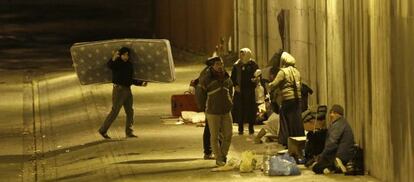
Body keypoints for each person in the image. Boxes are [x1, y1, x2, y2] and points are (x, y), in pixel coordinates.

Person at [98, 47, 147, 139]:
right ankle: (103, 130)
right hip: (119, 90)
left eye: (127, 55)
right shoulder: (117, 63)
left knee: (130, 111)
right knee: (115, 111)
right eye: (124, 55)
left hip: (127, 90)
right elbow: (110, 66)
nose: (126, 57)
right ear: (120, 55)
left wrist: (141, 83)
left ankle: (129, 132)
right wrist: (113, 58)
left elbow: (129, 79)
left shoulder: (129, 65)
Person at [196, 57, 233, 166]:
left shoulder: (226, 77)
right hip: (212, 111)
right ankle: (218, 158)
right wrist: (203, 108)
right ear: (212, 66)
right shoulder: (206, 79)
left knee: (228, 135)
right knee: (214, 136)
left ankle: (223, 155)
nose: (220, 66)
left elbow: (230, 91)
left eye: (221, 64)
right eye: (217, 64)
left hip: (226, 111)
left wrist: (230, 102)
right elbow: (200, 94)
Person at [268, 51, 304, 147]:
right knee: (296, 120)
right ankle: (298, 139)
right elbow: (300, 85)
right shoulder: (297, 72)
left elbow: (274, 84)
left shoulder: (283, 72)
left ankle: (285, 141)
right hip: (298, 100)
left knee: (285, 120)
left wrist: (269, 85)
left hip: (287, 100)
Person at [311, 104, 356, 174]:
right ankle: (333, 167)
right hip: (344, 153)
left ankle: (335, 165)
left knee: (315, 167)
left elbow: (331, 144)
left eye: (334, 113)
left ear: (340, 115)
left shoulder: (338, 124)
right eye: (331, 112)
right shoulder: (341, 123)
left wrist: (321, 156)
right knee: (317, 165)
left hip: (341, 155)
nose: (331, 115)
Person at [231, 48, 259, 135]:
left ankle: (251, 127)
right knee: (240, 109)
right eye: (240, 54)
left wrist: (255, 80)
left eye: (243, 54)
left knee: (250, 109)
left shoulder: (253, 64)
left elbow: (258, 75)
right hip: (240, 91)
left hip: (250, 90)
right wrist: (235, 85)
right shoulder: (236, 65)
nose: (241, 56)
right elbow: (232, 78)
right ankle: (240, 128)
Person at [194, 58, 215, 160]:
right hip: (210, 106)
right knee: (210, 129)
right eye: (219, 63)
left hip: (215, 106)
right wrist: (203, 106)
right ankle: (208, 151)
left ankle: (212, 151)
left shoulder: (209, 73)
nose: (221, 66)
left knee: (212, 128)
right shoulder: (208, 75)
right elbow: (201, 92)